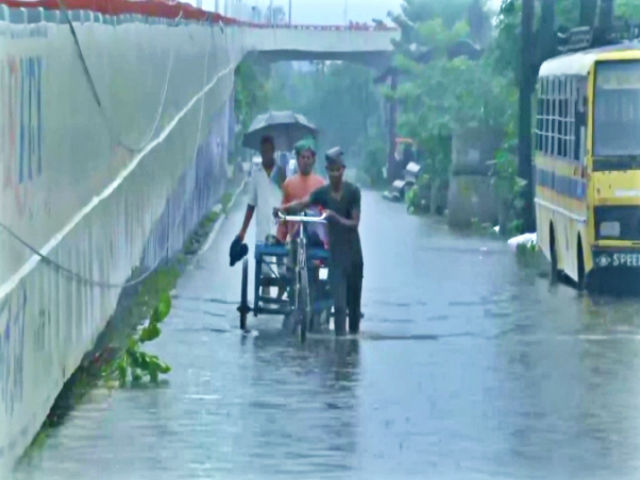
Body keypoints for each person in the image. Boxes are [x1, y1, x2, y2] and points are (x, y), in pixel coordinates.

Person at [275, 146, 363, 336]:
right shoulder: (322, 192)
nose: (334, 174)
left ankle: (351, 350)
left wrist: (334, 217)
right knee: (339, 308)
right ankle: (340, 350)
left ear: (343, 169)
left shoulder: (353, 192)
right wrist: (284, 209)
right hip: (335, 256)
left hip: (354, 255)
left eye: (337, 170)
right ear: (327, 171)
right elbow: (302, 203)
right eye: (331, 170)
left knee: (353, 309)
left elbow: (355, 223)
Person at [236, 135, 282, 245]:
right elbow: (251, 205)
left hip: (280, 231)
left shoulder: (281, 172)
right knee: (262, 260)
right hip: (262, 231)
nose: (265, 154)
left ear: (273, 151)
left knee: (282, 261)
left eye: (268, 151)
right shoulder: (256, 174)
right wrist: (243, 231)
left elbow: (289, 198)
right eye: (263, 151)